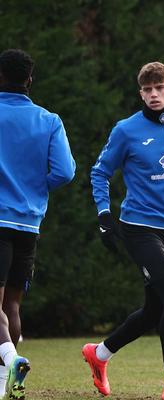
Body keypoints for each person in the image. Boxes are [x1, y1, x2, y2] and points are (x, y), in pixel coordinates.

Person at [82, 62, 164, 400]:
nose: (154, 95)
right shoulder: (126, 130)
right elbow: (99, 173)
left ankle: (99, 354)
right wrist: (104, 214)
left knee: (155, 310)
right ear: (140, 93)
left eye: (160, 88)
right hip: (139, 228)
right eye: (147, 90)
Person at [0, 48, 76, 399]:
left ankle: (11, 359)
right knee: (11, 305)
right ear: (29, 80)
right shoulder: (49, 120)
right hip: (28, 224)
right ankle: (4, 382)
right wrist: (33, 188)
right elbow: (65, 172)